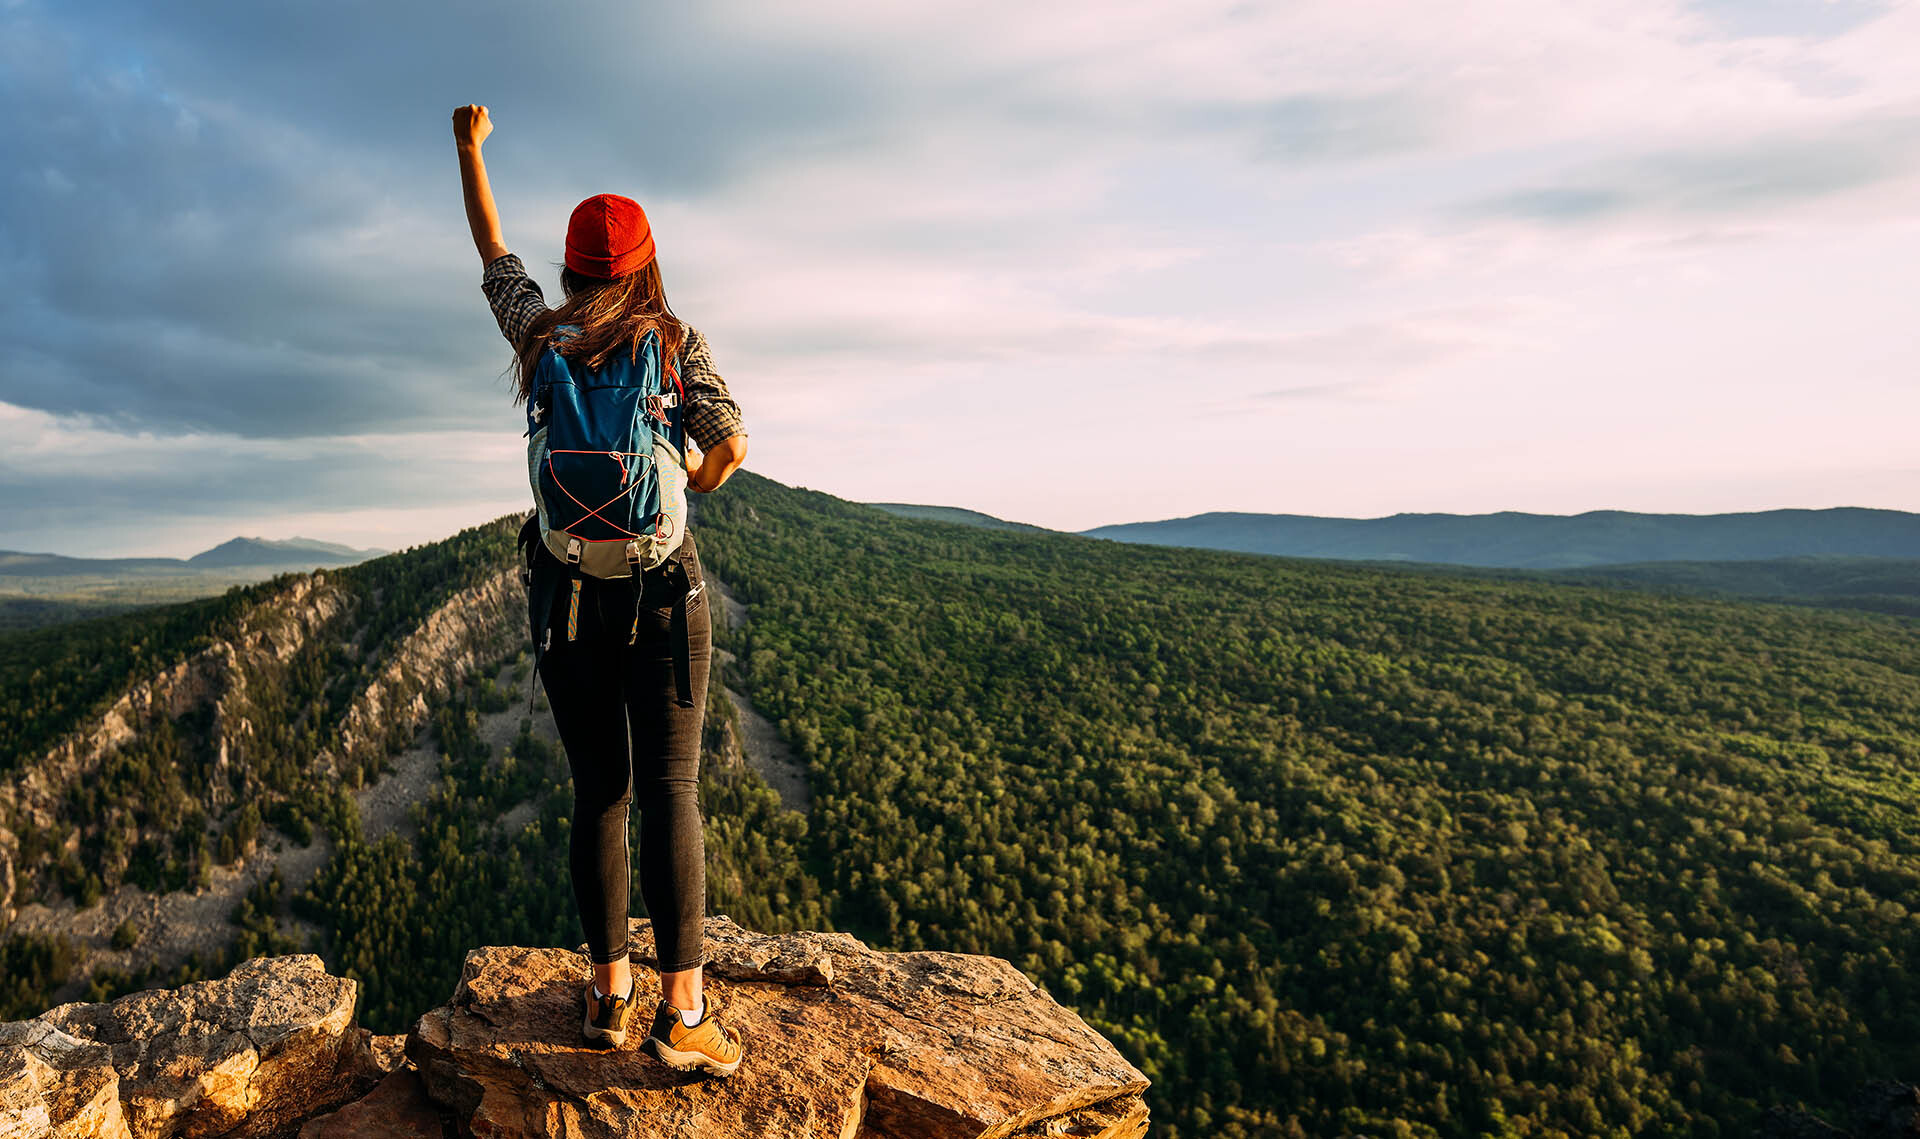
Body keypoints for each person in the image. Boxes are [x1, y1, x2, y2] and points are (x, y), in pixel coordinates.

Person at [452, 103, 749, 1074]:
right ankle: (686, 1015)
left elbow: (494, 251)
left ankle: (608, 996)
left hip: (568, 594)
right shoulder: (675, 337)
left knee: (600, 794)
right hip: (663, 591)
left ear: (575, 266)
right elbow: (730, 445)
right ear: (647, 264)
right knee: (672, 790)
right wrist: (691, 482)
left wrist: (470, 150)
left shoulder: (541, 335)